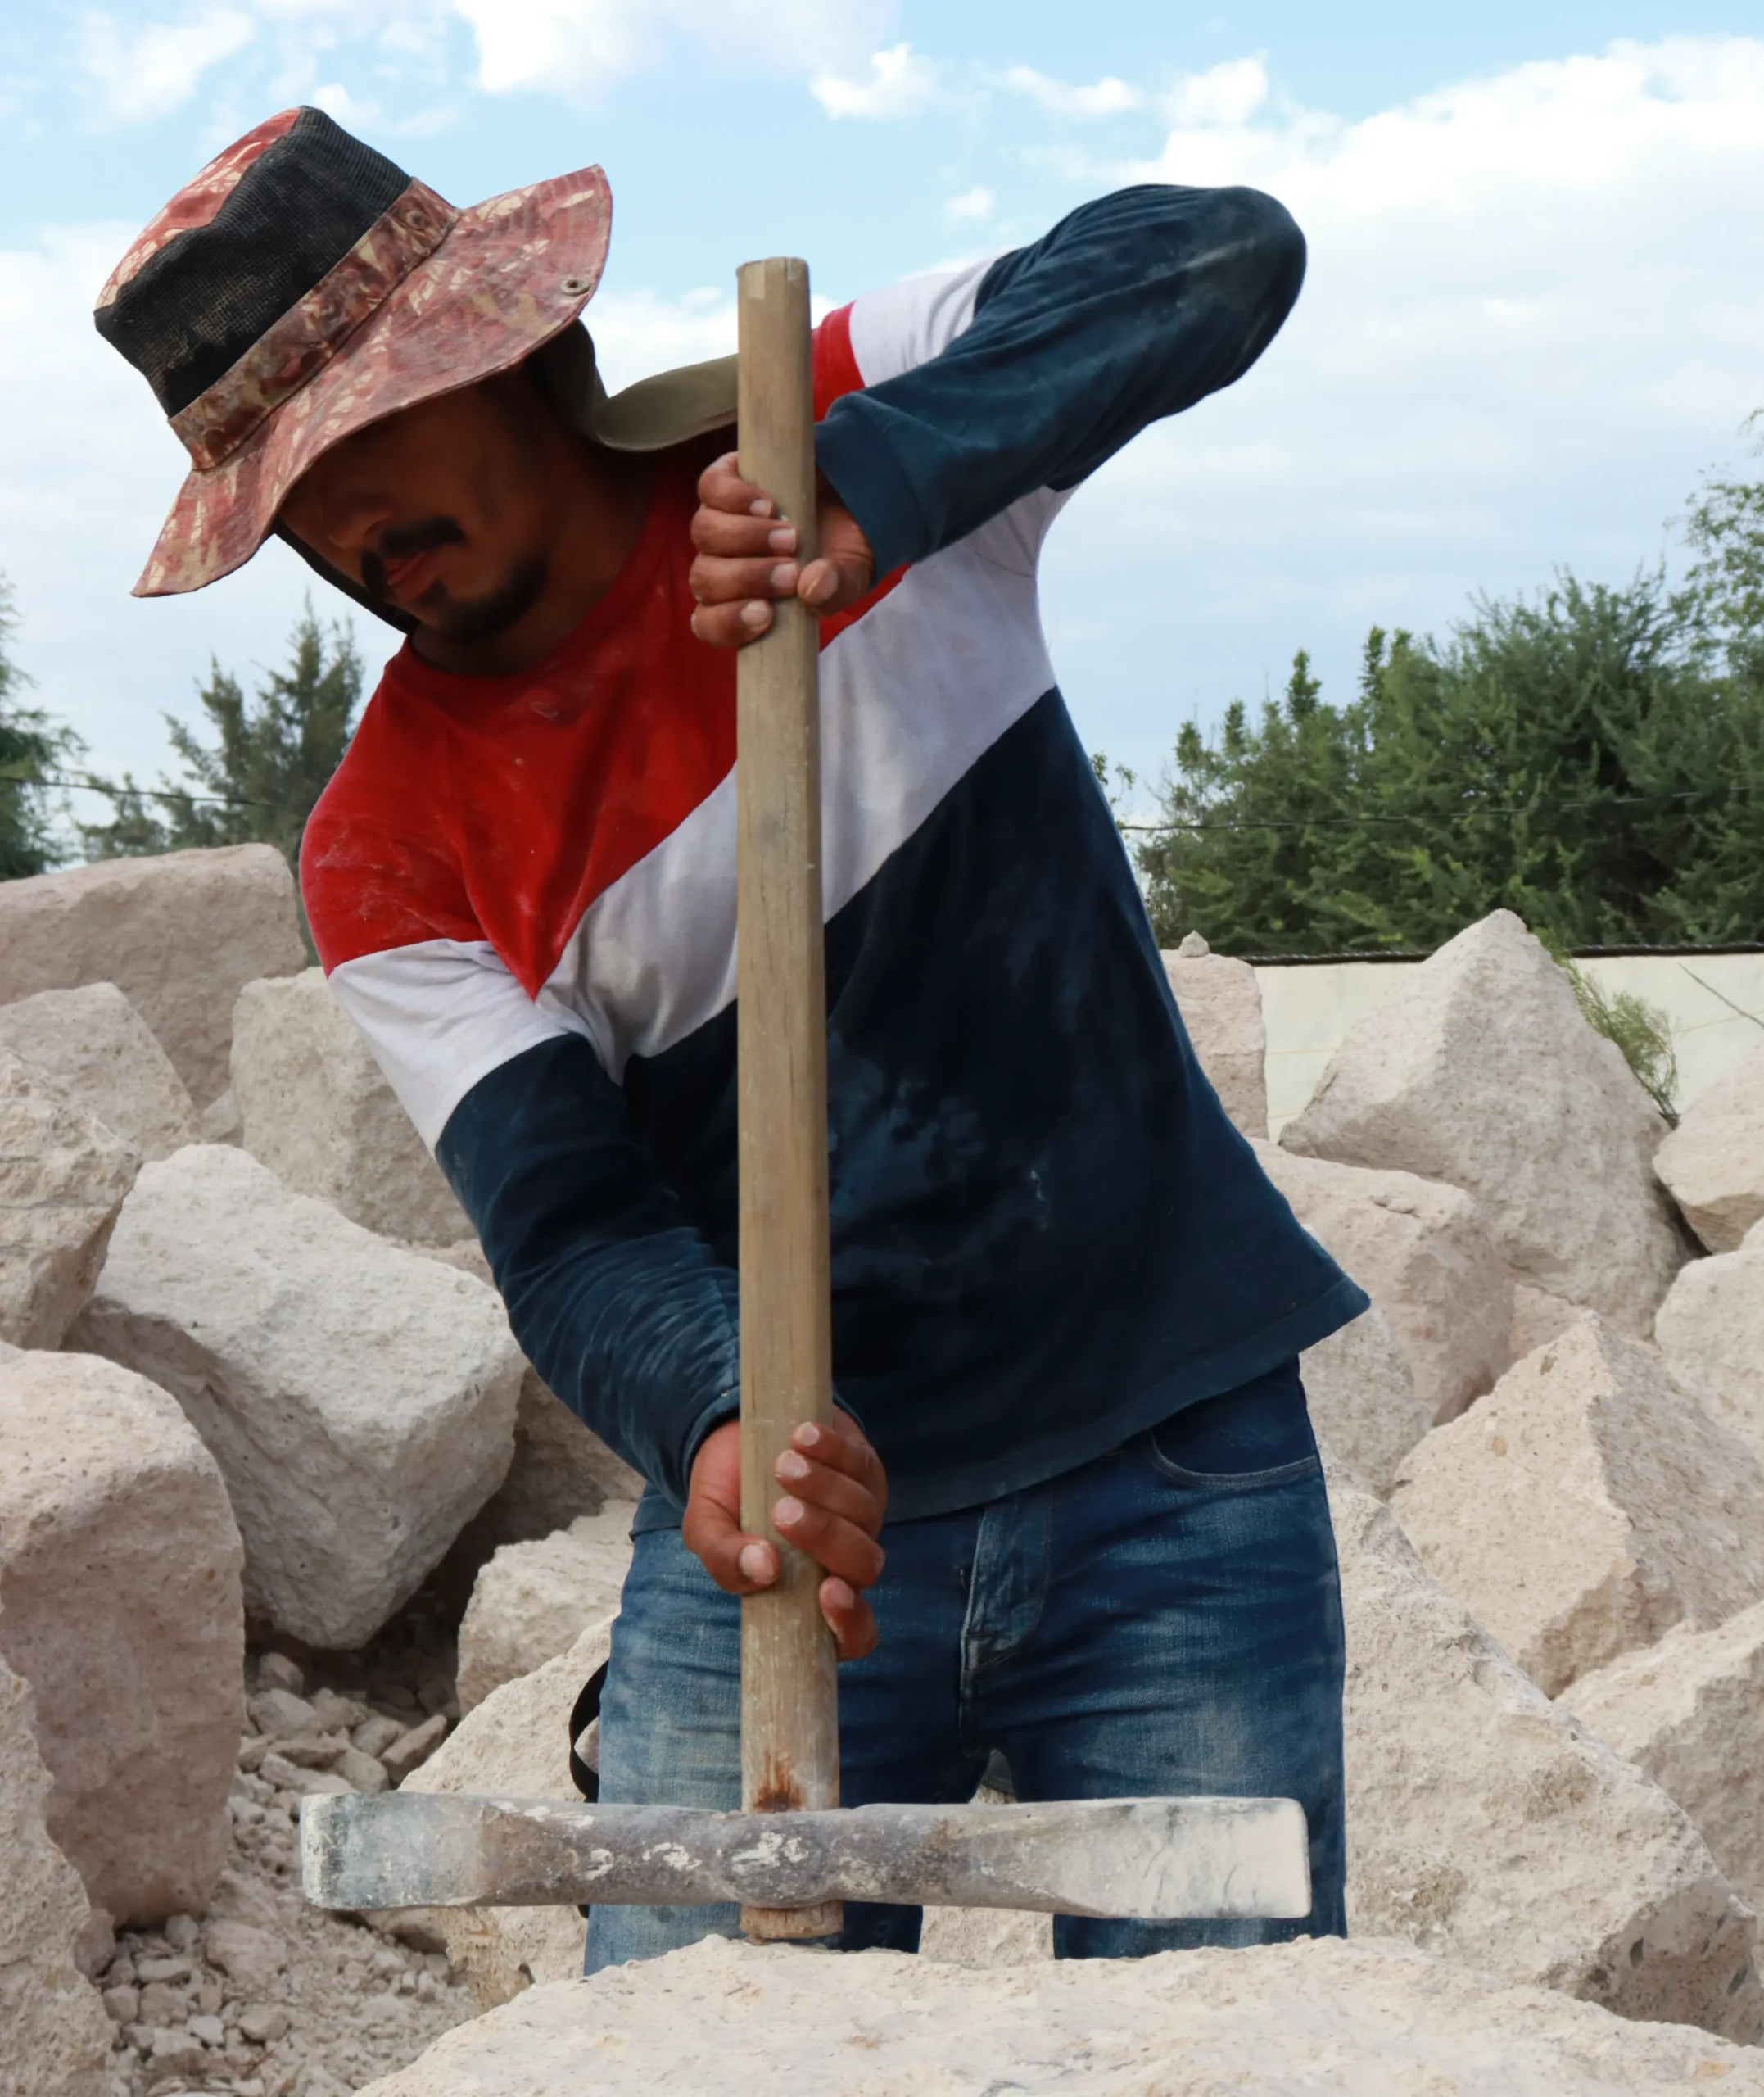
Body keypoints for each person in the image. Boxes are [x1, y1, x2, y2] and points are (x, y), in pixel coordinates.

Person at [100, 106, 1368, 1965]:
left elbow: (1216, 254)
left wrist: (878, 483)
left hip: (1174, 1467)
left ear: (506, 346)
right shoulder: (388, 848)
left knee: (1231, 2056)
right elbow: (572, 1225)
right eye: (289, 496)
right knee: (695, 2052)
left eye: (360, 436)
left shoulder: (817, 422)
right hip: (785, 1543)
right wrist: (713, 1419)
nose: (349, 527)